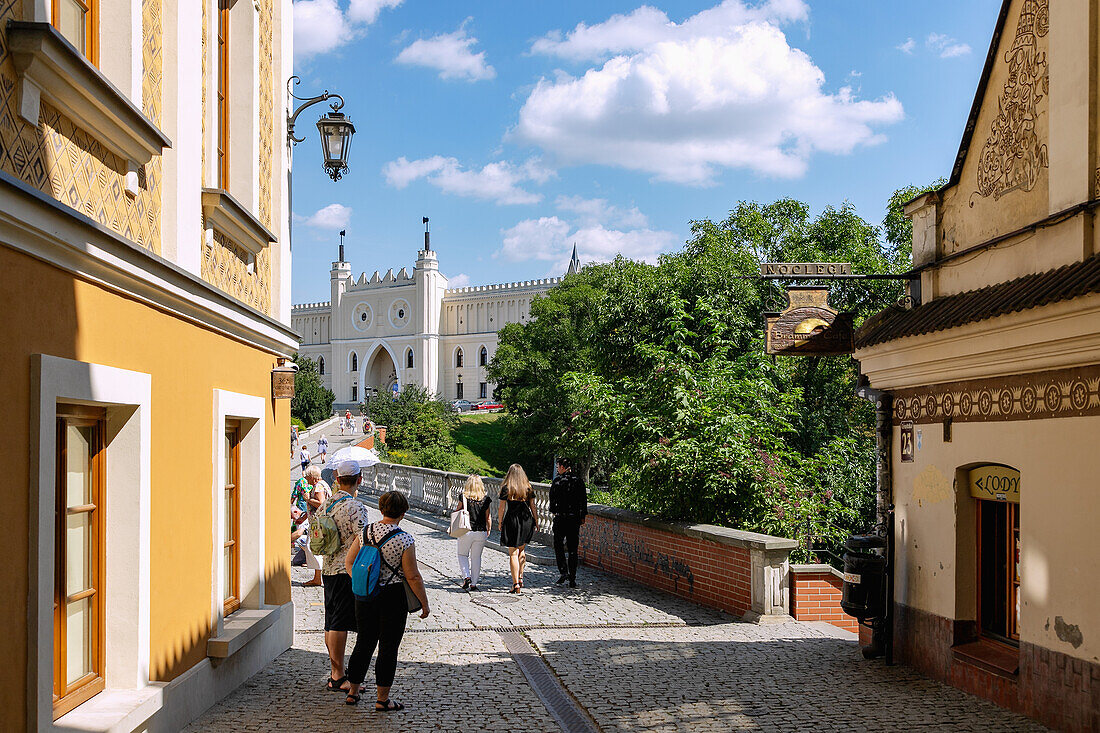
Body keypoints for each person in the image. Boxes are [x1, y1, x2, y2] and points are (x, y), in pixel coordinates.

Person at [343, 491, 430, 710]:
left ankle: (353, 692)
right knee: (388, 647)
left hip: (365, 596)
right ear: (403, 513)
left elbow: (349, 562)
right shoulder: (404, 539)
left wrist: (362, 582)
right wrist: (424, 603)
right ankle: (382, 699)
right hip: (393, 597)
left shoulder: (365, 533)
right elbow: (412, 576)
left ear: (381, 509)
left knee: (363, 642)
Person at [319, 460, 371, 695]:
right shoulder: (355, 507)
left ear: (337, 479)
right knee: (340, 621)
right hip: (346, 570)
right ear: (359, 479)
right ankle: (338, 676)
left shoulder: (326, 505)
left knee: (331, 620)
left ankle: (335, 672)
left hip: (328, 569)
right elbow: (364, 539)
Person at [498, 464, 537, 593]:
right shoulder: (528, 488)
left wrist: (499, 522)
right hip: (526, 520)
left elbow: (502, 508)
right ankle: (520, 577)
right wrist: (536, 521)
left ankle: (515, 584)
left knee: (513, 553)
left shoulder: (506, 488)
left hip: (512, 521)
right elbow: (533, 506)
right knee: (522, 550)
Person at [549, 458, 588, 588]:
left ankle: (563, 570)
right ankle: (573, 577)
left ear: (562, 467)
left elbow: (552, 502)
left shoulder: (557, 482)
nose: (557, 469)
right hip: (573, 519)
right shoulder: (578, 481)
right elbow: (583, 501)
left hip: (561, 518)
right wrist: (582, 516)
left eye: (558, 466)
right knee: (573, 549)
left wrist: (555, 510)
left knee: (558, 546)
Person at [294, 466, 330, 587]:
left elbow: (321, 503)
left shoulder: (319, 486)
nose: (306, 479)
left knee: (312, 547)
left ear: (313, 477)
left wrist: (308, 499)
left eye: (308, 477)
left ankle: (318, 578)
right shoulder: (323, 484)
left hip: (318, 524)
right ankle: (318, 577)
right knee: (315, 548)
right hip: (320, 523)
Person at [454, 475, 492, 591]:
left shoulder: (463, 497)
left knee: (462, 554)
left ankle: (466, 576)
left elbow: (457, 511)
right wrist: (489, 529)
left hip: (466, 530)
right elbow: (488, 517)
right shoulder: (485, 499)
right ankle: (474, 583)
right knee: (476, 557)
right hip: (480, 531)